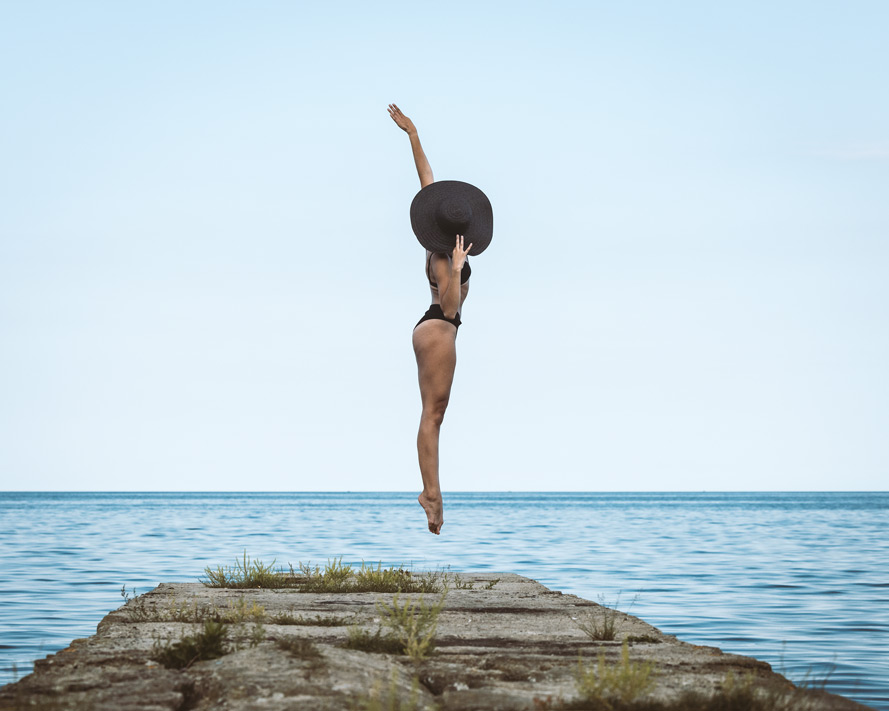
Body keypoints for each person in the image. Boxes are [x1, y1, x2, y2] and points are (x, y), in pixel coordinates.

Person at [388, 104, 493, 535]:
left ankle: (432, 492)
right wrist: (454, 268)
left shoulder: (442, 247)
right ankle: (431, 493)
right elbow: (450, 308)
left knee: (435, 412)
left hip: (434, 331)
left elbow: (425, 181)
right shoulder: (442, 258)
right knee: (432, 414)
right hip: (439, 328)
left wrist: (413, 133)